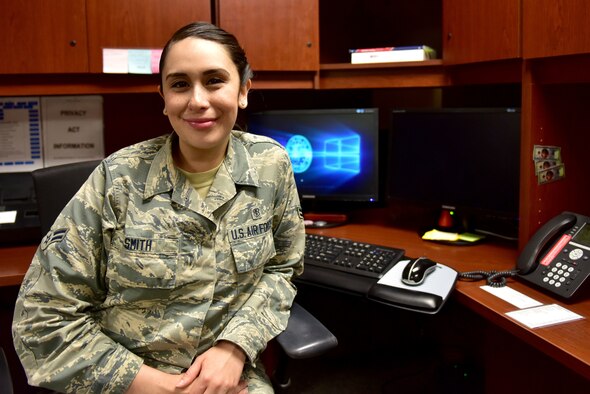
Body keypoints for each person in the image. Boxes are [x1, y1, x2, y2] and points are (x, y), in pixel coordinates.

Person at [12, 21, 305, 394]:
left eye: (214, 80)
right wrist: (165, 388)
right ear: (164, 96)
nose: (197, 100)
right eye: (180, 84)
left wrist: (234, 348)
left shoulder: (271, 165)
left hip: (230, 376)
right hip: (124, 378)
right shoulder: (118, 180)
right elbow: (42, 319)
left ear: (243, 90)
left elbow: (282, 269)